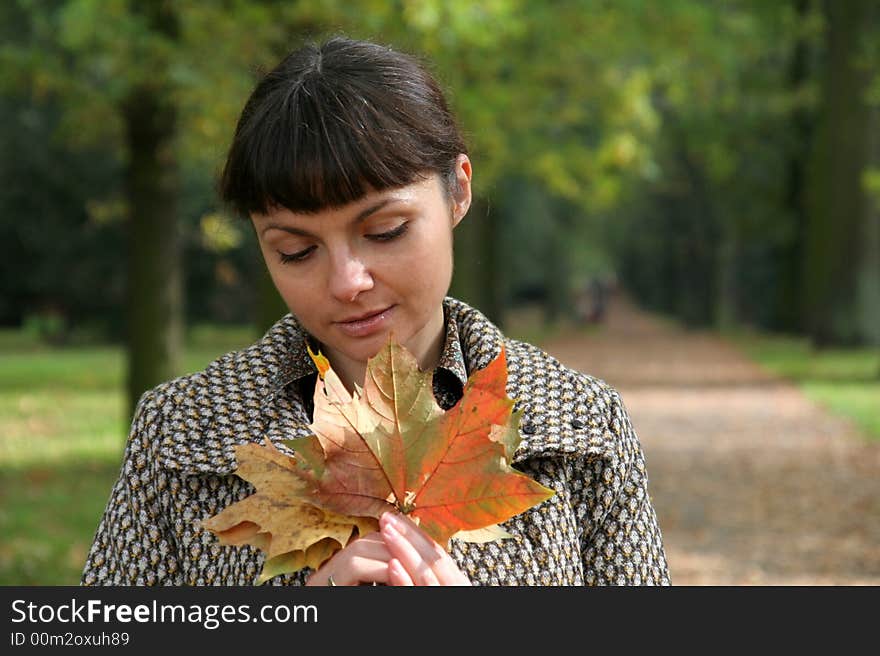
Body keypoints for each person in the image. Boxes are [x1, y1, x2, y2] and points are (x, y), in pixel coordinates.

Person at [81, 35, 670, 586]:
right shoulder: (183, 433)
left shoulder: (579, 427)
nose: (347, 282)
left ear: (458, 190)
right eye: (297, 250)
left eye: (385, 231)